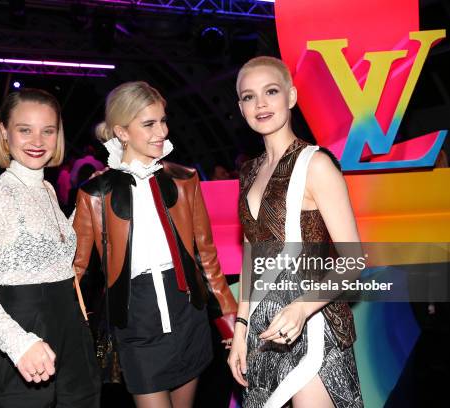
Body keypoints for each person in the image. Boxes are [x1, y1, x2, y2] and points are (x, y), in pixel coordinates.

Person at [72, 81, 237, 408]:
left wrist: (230, 322)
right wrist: (69, 330)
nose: (161, 131)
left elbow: (206, 257)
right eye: (149, 124)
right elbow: (75, 271)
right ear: (121, 131)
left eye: (163, 120)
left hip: (187, 313)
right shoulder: (95, 193)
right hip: (135, 322)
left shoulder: (185, 178)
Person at [227, 56, 363, 407]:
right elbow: (251, 258)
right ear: (241, 109)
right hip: (264, 327)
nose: (260, 104)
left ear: (291, 96)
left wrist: (302, 309)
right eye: (248, 96)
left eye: (270, 91)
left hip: (313, 324)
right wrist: (241, 328)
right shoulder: (248, 171)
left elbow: (353, 261)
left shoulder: (316, 165)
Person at [0, 88, 100, 407]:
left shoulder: (48, 189)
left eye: (47, 130)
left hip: (71, 331)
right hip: (23, 331)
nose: (37, 140)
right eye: (25, 129)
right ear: (4, 133)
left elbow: (54, 254)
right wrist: (18, 344)